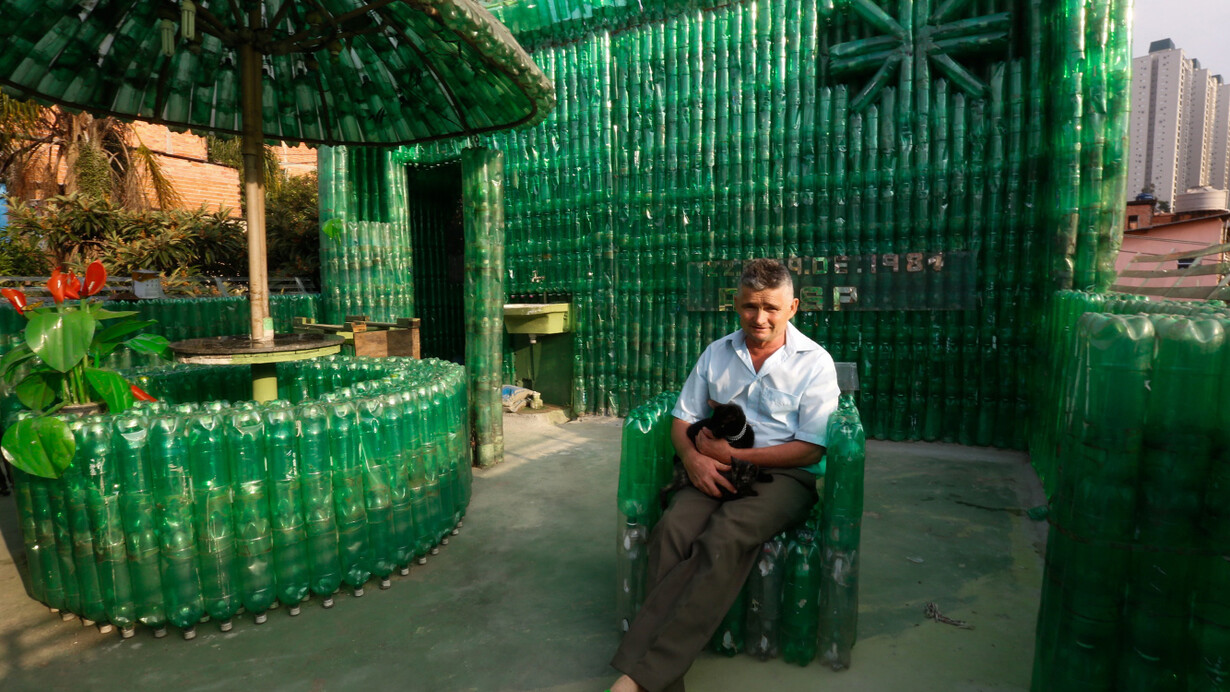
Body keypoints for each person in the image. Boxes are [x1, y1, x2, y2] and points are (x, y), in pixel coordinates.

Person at [609, 258, 841, 692]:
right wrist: (693, 459)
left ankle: (639, 677)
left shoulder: (815, 363)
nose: (760, 318)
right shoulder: (717, 354)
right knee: (672, 532)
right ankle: (664, 680)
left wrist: (734, 456)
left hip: (785, 477)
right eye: (750, 306)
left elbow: (811, 447)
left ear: (792, 308)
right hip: (713, 467)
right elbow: (683, 419)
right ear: (736, 305)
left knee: (724, 537)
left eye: (771, 308)